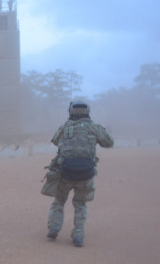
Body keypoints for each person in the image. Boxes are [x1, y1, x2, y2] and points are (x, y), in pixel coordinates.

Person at [46, 101, 113, 247]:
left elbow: (56, 141)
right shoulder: (94, 127)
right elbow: (109, 143)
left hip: (65, 173)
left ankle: (54, 227)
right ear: (88, 111)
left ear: (70, 112)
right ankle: (78, 235)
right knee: (80, 204)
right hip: (86, 175)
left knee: (59, 201)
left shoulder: (64, 127)